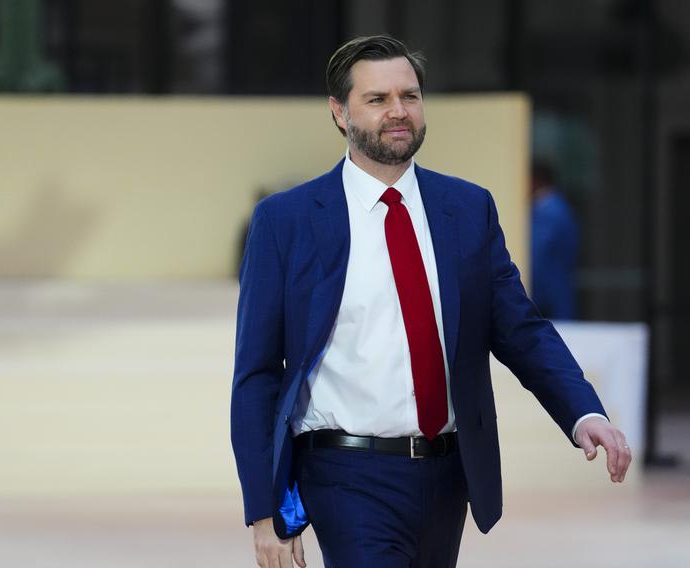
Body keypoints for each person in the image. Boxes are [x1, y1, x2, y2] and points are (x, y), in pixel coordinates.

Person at [231, 35, 631, 568]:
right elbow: (257, 375)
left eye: (410, 96)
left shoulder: (466, 209)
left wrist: (584, 412)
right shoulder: (287, 221)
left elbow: (519, 328)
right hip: (344, 474)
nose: (398, 111)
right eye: (377, 99)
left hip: (448, 475)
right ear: (338, 112)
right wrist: (264, 512)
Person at [530, 161, 579, 320]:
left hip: (548, 301)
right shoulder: (559, 207)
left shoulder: (548, 211)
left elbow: (537, 257)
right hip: (557, 296)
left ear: (535, 180)